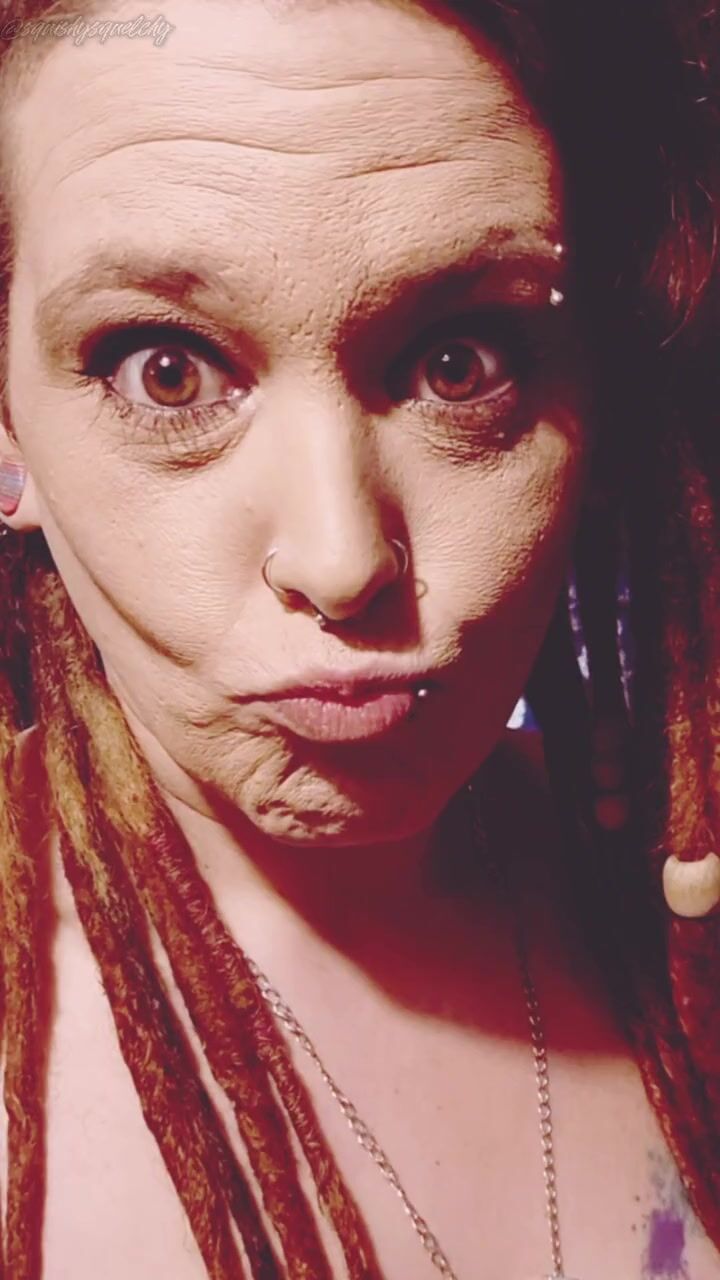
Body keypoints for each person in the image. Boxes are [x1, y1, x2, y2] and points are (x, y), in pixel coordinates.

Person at [0, 0, 719, 1276]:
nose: (340, 561)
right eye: (165, 368)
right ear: (8, 431)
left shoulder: (668, 900)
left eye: (461, 361)